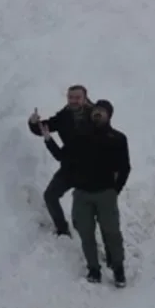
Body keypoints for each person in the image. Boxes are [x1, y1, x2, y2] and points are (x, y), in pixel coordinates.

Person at [41, 99, 131, 287]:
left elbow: (125, 168)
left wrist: (115, 190)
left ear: (109, 115)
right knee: (85, 233)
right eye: (95, 110)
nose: (97, 113)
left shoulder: (118, 138)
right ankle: (93, 269)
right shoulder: (79, 136)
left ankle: (118, 269)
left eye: (102, 111)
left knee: (112, 232)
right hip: (82, 194)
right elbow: (62, 157)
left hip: (105, 193)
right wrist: (48, 139)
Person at [27, 85, 94, 236]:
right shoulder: (64, 116)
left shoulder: (94, 116)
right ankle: (63, 231)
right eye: (71, 97)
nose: (74, 101)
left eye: (77, 97)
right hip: (70, 168)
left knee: (86, 211)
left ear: (85, 98)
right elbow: (44, 128)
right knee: (50, 196)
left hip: (91, 170)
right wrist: (33, 122)